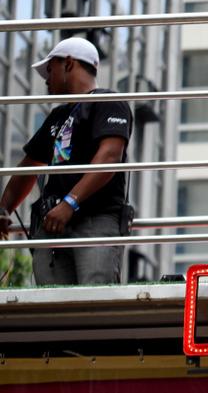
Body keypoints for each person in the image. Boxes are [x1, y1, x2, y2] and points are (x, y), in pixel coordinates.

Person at [0, 37, 133, 285]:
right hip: (53, 226)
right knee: (54, 310)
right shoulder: (58, 116)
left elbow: (110, 157)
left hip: (96, 219)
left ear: (69, 64)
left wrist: (69, 203)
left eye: (50, 69)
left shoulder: (107, 101)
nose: (46, 79)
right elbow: (29, 167)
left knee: (95, 301)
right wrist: (4, 207)